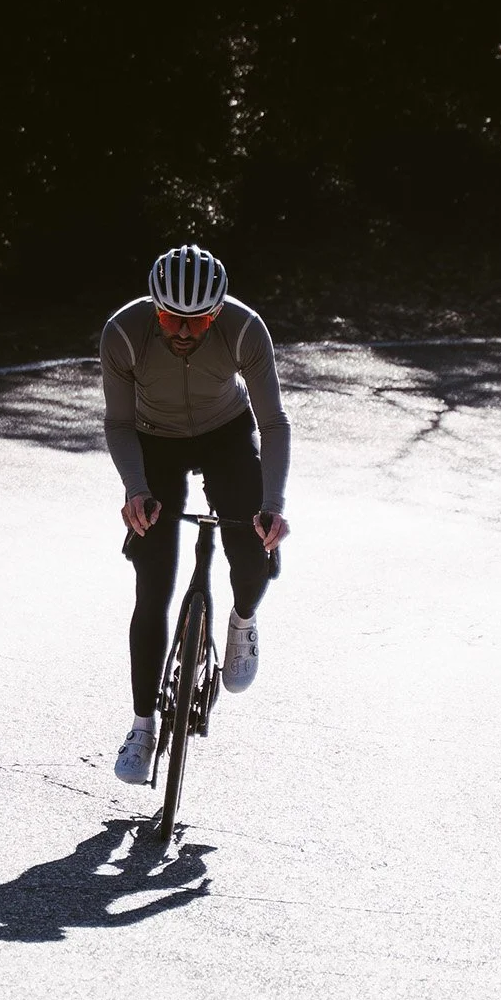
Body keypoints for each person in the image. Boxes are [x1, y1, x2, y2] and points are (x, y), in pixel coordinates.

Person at [102, 244, 289, 784]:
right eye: (171, 319)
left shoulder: (245, 330)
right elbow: (117, 423)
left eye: (198, 321)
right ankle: (142, 728)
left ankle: (243, 621)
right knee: (152, 583)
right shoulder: (123, 333)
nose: (184, 332)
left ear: (218, 312)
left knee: (254, 545)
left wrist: (272, 505)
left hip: (225, 435)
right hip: (152, 439)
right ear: (154, 306)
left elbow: (273, 423)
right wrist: (136, 490)